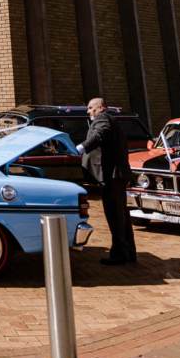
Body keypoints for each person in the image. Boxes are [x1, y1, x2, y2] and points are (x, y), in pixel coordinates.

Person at [76, 97, 137, 266]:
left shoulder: (103, 119)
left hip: (112, 176)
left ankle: (119, 255)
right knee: (121, 216)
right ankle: (128, 253)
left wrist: (81, 147)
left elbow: (99, 134)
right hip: (116, 176)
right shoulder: (109, 119)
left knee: (115, 216)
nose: (88, 111)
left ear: (101, 107)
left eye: (90, 108)